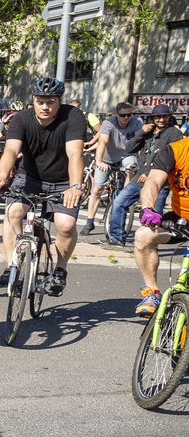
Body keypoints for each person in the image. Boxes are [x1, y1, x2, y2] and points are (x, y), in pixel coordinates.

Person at [0, 76, 87, 295]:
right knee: (13, 212)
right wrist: (2, 176)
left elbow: (75, 154)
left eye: (51, 101)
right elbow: (11, 151)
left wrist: (75, 186)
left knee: (65, 225)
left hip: (63, 181)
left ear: (59, 101)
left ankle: (60, 270)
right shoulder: (21, 119)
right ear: (33, 100)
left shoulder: (73, 116)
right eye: (40, 101)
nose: (45, 106)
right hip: (30, 177)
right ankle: (11, 265)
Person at [111, 104, 182, 249]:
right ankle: (116, 238)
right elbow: (129, 148)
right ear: (153, 117)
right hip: (139, 179)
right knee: (118, 203)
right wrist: (140, 133)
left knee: (153, 216)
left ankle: (149, 245)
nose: (161, 119)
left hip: (159, 183)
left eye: (164, 116)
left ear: (169, 117)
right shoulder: (147, 131)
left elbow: (171, 159)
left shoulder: (175, 134)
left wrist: (149, 173)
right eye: (158, 116)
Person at [132, 136, 189, 316]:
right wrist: (148, 208)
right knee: (143, 236)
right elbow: (153, 181)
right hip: (182, 219)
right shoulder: (175, 150)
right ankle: (152, 293)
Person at [84, 102, 144, 238]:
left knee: (131, 167)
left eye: (129, 115)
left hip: (127, 155)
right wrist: (99, 162)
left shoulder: (137, 122)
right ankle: (89, 222)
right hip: (107, 157)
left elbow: (141, 142)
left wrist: (141, 163)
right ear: (117, 114)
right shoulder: (108, 123)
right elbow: (102, 142)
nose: (126, 118)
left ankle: (126, 196)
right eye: (123, 115)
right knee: (97, 189)